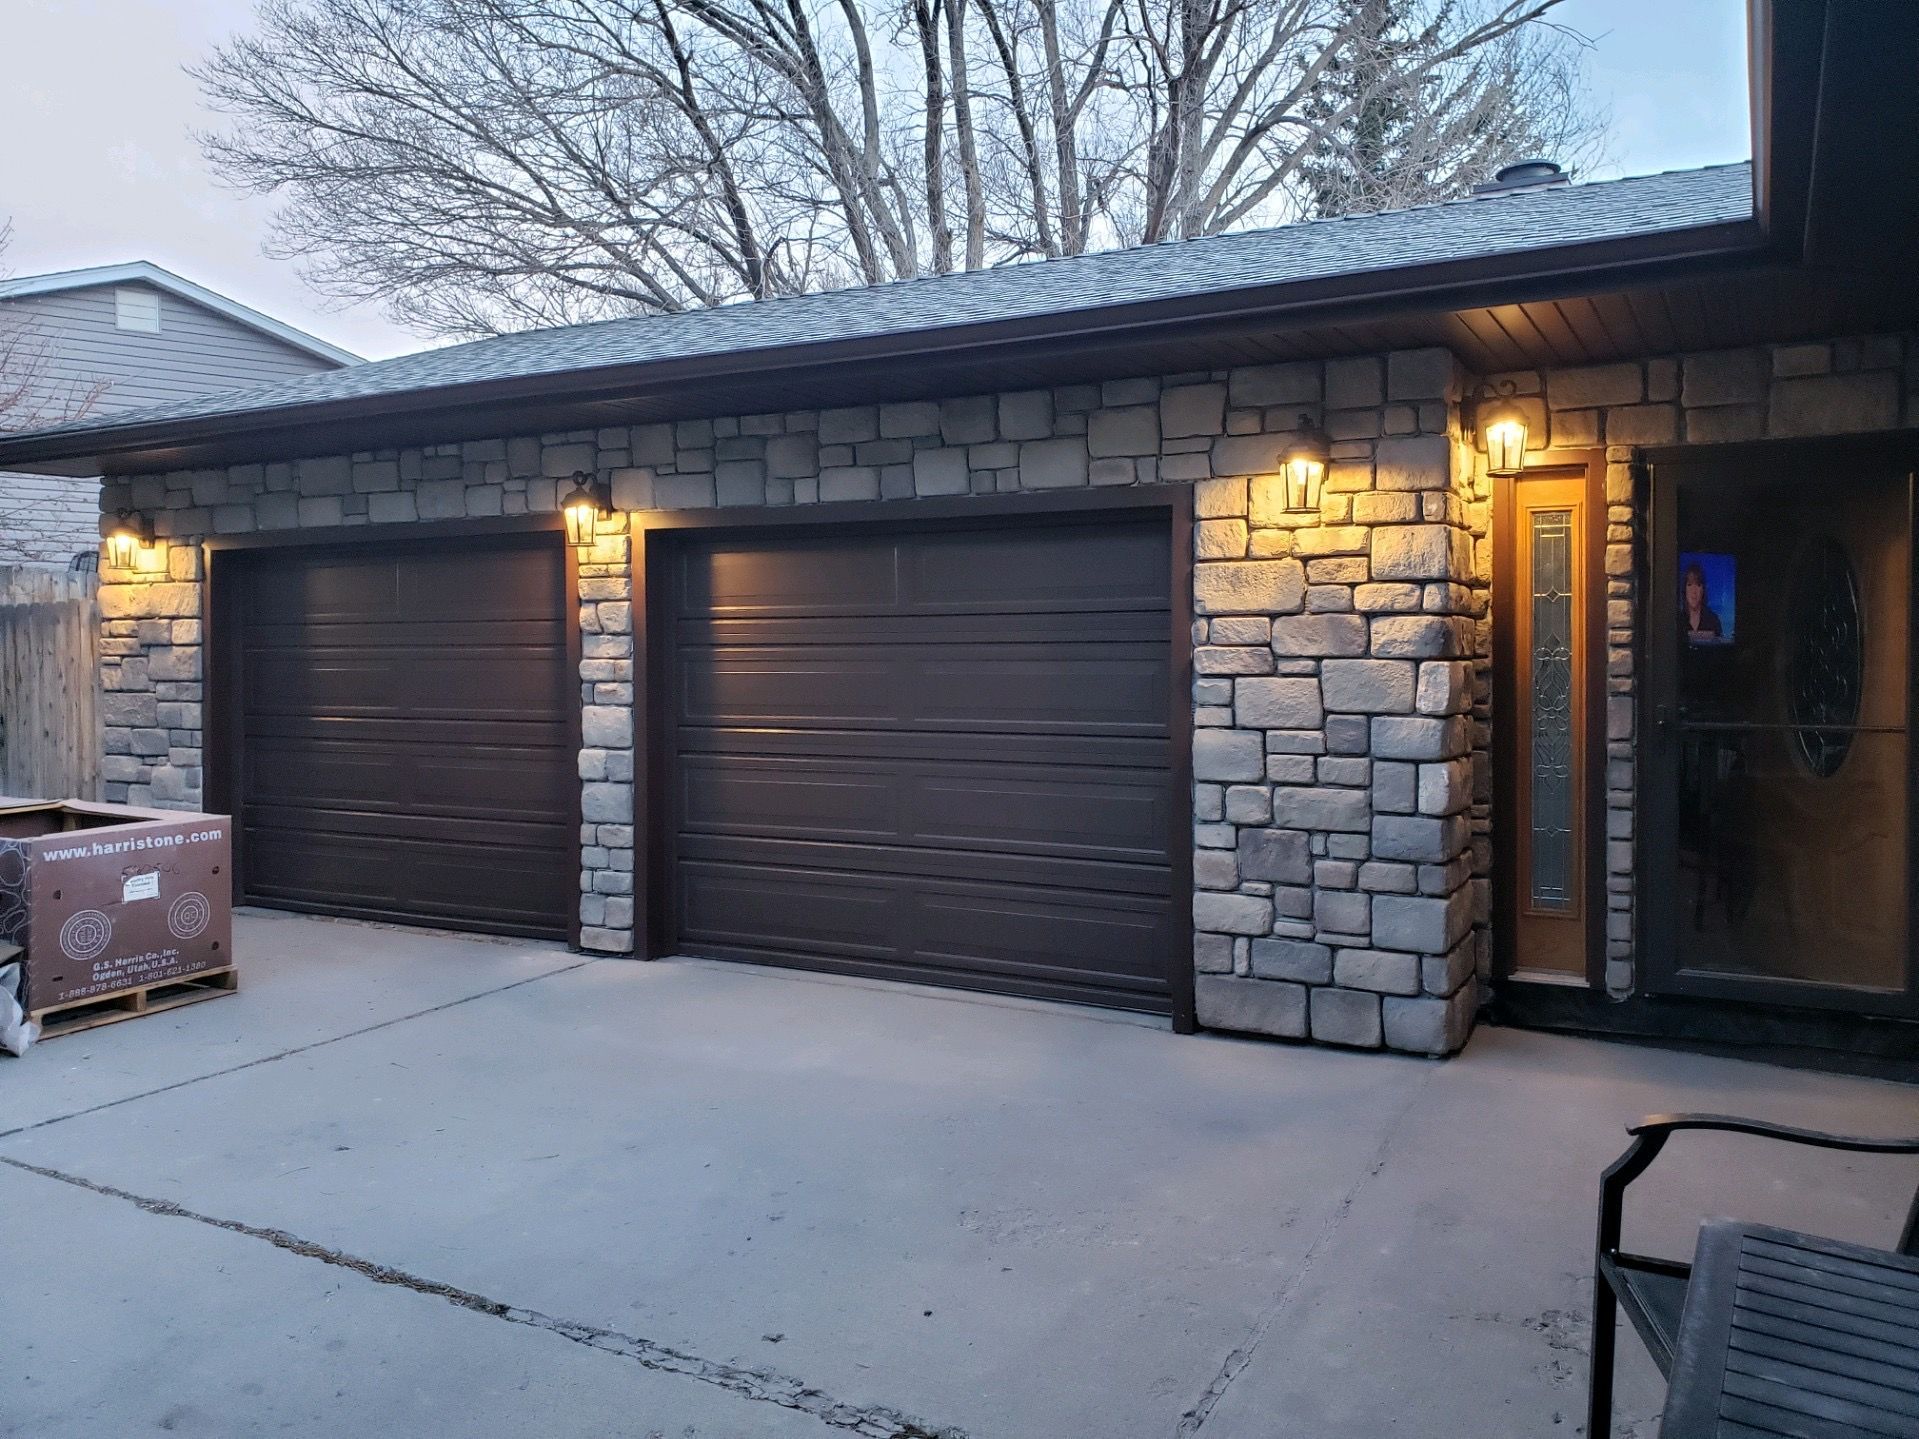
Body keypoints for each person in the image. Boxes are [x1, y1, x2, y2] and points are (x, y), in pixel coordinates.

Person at [1681, 561, 1723, 643]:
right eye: (1689, 585)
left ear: (1703, 590)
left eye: (1698, 585)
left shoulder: (1713, 620)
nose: (1694, 591)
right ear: (1684, 589)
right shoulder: (1677, 620)